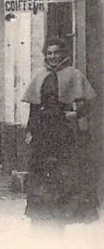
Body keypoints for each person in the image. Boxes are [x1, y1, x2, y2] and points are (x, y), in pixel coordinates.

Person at [22, 37, 98, 225]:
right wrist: (30, 131)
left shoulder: (74, 74)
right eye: (49, 53)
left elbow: (91, 102)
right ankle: (43, 210)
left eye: (56, 52)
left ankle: (65, 210)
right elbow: (33, 106)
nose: (53, 56)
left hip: (65, 130)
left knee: (65, 170)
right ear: (45, 56)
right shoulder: (40, 76)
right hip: (43, 131)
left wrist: (76, 114)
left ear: (63, 54)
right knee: (41, 171)